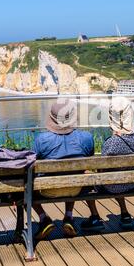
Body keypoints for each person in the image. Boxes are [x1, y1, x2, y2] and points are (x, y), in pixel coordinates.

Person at [81, 96, 134, 231]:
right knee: (120, 175)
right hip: (133, 183)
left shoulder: (110, 144)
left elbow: (102, 171)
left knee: (89, 176)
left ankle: (94, 217)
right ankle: (125, 214)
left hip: (111, 185)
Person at [33, 98, 94, 239]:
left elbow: (31, 165)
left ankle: (43, 218)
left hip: (47, 190)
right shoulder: (86, 138)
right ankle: (68, 216)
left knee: (26, 185)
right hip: (76, 189)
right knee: (74, 174)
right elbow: (88, 164)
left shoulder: (41, 140)